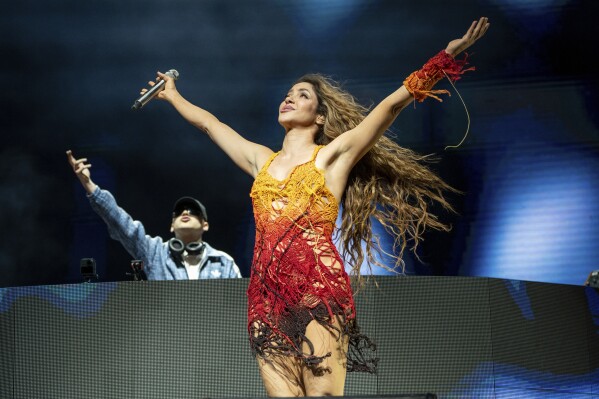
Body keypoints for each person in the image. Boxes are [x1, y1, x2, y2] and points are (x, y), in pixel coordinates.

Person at [141, 17, 490, 397]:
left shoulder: (332, 158)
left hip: (317, 287)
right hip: (266, 294)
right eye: (288, 93)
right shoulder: (261, 160)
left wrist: (446, 57)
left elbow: (390, 107)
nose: (289, 98)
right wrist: (173, 95)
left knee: (322, 395)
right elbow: (211, 124)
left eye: (302, 95)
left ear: (320, 117)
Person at [66, 150, 241, 280]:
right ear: (171, 225)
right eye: (179, 212)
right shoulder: (155, 252)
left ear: (205, 225)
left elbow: (239, 305)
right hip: (165, 328)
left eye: (193, 211)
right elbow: (122, 223)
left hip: (212, 329)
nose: (185, 212)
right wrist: (89, 184)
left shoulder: (223, 262)